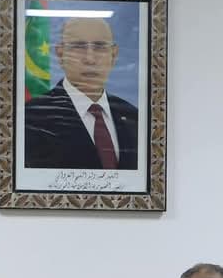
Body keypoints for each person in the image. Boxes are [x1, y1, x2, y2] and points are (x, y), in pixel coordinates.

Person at [23, 17, 140, 171]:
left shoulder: (134, 118)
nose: (90, 59)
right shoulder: (30, 118)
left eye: (100, 46)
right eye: (78, 46)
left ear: (114, 55)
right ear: (60, 54)